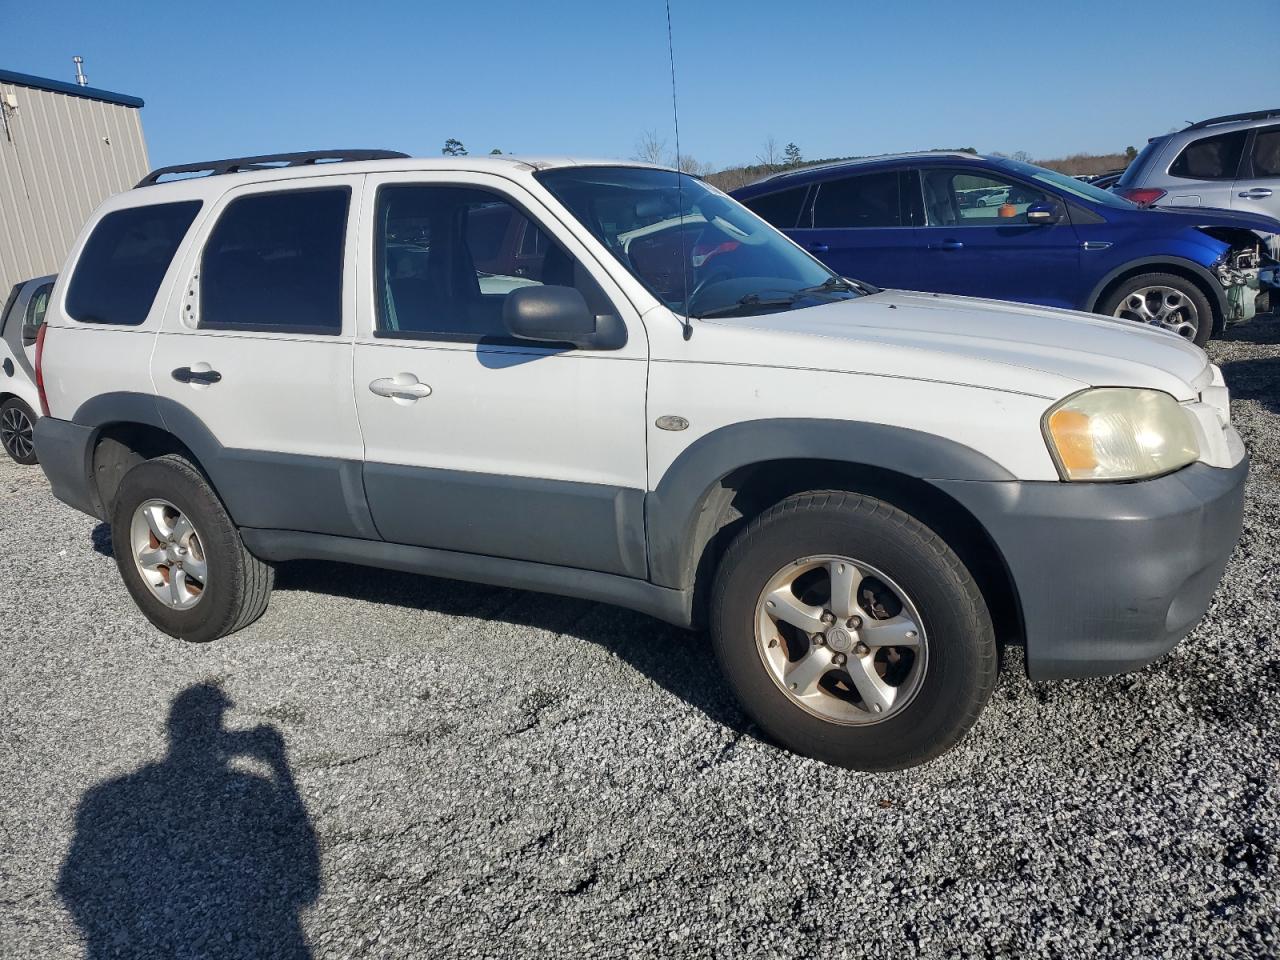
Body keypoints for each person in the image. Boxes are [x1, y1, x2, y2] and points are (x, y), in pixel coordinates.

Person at [58, 683, 320, 958]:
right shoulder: (255, 788)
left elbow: (72, 888)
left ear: (173, 728)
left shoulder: (106, 797)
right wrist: (279, 764)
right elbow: (306, 878)